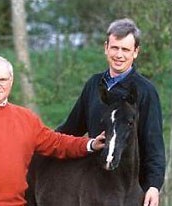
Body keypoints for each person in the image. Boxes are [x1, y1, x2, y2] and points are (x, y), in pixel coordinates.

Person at [0, 55, 106, 206]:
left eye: (3, 80)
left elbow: (56, 142)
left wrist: (90, 144)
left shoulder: (26, 118)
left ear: (11, 81)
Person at [56, 18, 165, 206]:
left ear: (136, 52)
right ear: (106, 47)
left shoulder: (145, 91)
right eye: (115, 48)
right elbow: (71, 128)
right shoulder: (93, 85)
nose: (119, 55)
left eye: (125, 49)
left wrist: (153, 186)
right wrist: (40, 141)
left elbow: (153, 143)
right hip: (94, 186)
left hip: (129, 191)